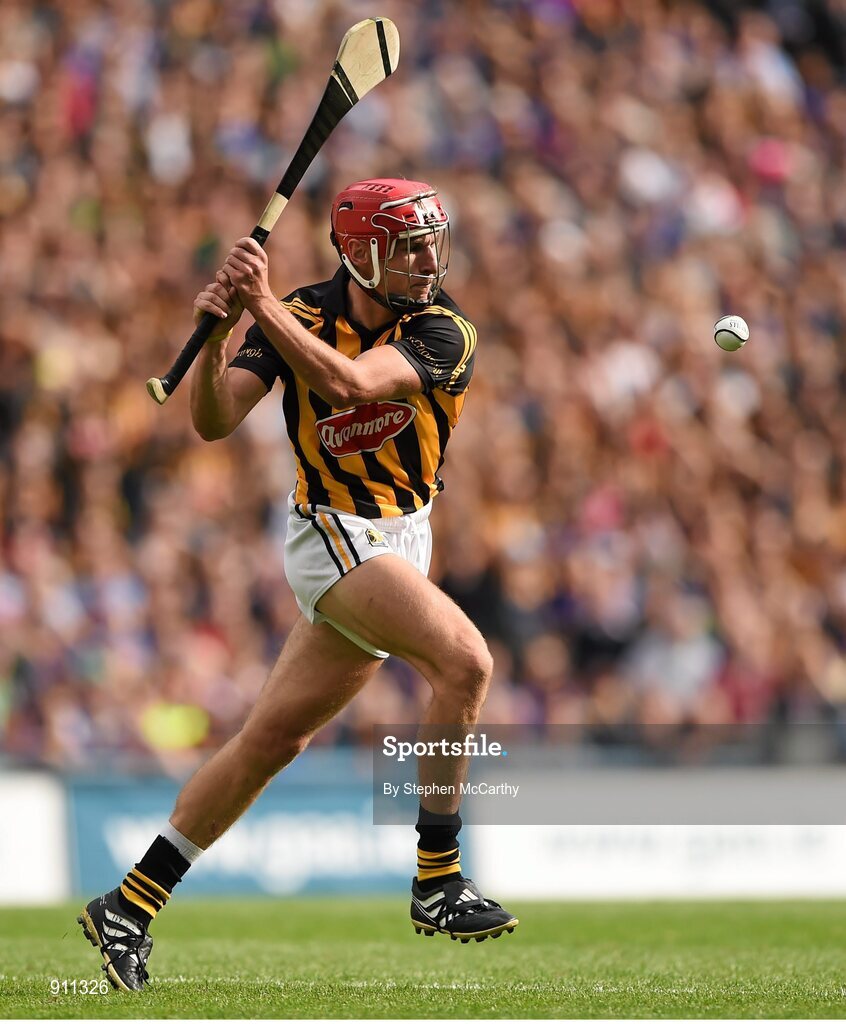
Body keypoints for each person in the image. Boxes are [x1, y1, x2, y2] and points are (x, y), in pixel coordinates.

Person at [77, 178, 518, 991]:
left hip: (402, 536)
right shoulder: (301, 314)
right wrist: (217, 340)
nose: (429, 259)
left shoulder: (445, 329)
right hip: (331, 533)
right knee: (466, 663)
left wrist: (257, 301)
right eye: (409, 245)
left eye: (431, 241)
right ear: (360, 253)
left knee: (270, 743)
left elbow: (351, 386)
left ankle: (129, 903)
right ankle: (437, 879)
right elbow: (214, 420)